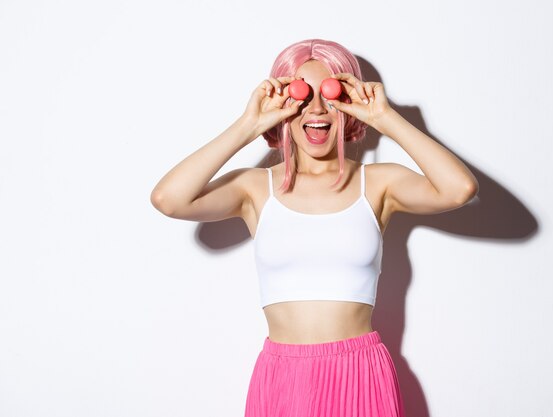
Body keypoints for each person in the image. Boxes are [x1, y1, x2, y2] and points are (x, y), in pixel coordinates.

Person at [150, 39, 478, 417]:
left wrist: (386, 118)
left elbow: (459, 189)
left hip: (360, 373)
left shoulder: (379, 183)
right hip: (283, 377)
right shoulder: (255, 188)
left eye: (329, 94)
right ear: (282, 104)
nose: (317, 110)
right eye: (301, 96)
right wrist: (248, 125)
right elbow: (168, 199)